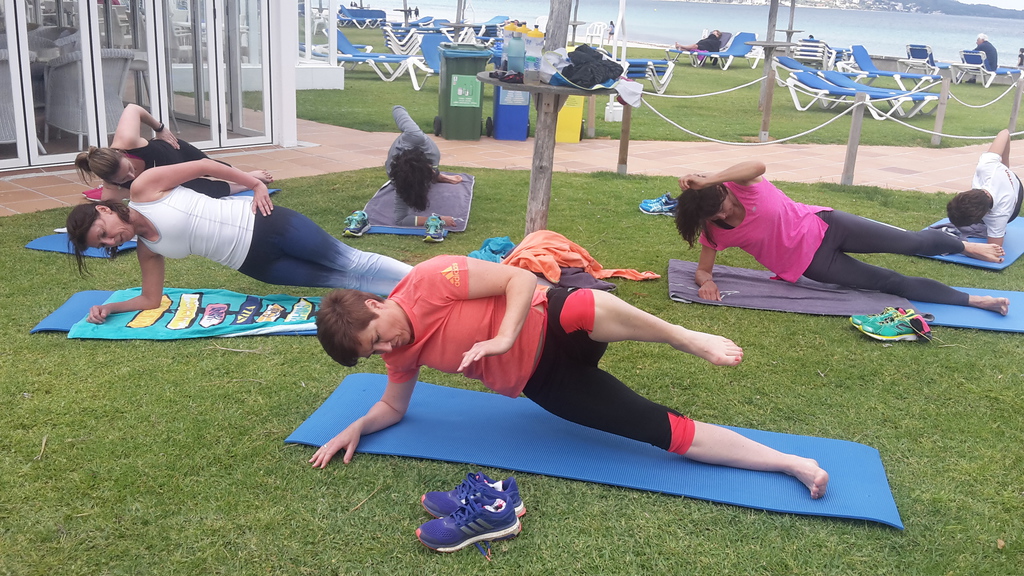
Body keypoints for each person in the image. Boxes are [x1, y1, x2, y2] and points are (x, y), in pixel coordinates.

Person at [309, 255, 830, 500]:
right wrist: (357, 426)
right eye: (373, 352)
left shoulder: (429, 280)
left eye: (377, 336)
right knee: (660, 430)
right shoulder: (398, 357)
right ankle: (791, 463)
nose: (386, 349)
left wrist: (503, 337)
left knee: (582, 304)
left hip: (550, 320)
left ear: (374, 305)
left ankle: (684, 336)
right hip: (546, 382)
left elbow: (519, 278)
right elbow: (394, 406)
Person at [66, 159, 412, 324]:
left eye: (103, 232)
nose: (112, 240)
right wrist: (110, 308)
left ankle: (426, 280)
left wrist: (255, 184)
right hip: (258, 265)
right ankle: (411, 303)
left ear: (103, 209)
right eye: (104, 244)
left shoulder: (145, 188)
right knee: (347, 280)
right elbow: (150, 299)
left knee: (355, 262)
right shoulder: (149, 249)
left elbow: (203, 166)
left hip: (267, 223)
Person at [674, 161, 1010, 315]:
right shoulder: (715, 231)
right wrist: (706, 281)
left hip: (828, 224)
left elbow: (757, 165)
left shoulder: (739, 184)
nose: (722, 216)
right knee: (891, 282)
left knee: (914, 242)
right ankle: (975, 300)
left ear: (721, 189)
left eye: (722, 208)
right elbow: (703, 269)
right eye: (714, 217)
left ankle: (967, 246)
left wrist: (708, 178)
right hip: (816, 263)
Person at [75, 104, 274, 203]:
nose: (131, 176)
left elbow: (133, 108)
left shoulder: (126, 141)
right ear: (110, 181)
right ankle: (245, 183)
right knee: (206, 191)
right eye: (123, 179)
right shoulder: (110, 186)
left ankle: (247, 176)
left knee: (213, 167)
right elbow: (110, 208)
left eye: (129, 168)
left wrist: (160, 128)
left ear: (122, 154)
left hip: (175, 151)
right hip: (174, 181)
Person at [383, 105, 462, 229]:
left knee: (432, 172)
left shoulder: (414, 135)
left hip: (417, 151)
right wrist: (437, 220)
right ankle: (436, 177)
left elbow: (398, 109)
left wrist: (400, 111)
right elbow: (400, 220)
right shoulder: (399, 181)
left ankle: (439, 177)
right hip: (403, 176)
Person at [946, 129, 1022, 246]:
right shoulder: (986, 166)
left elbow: (994, 251)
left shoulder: (998, 216)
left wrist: (964, 248)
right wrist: (1005, 165)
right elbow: (1004, 133)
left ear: (985, 214)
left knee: (991, 226)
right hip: (1004, 179)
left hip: (1015, 196)